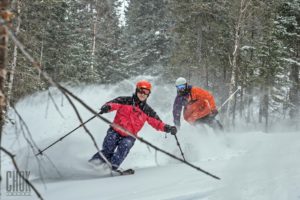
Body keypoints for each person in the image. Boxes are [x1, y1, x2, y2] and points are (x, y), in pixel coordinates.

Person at [89, 80, 177, 171]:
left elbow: (157, 123)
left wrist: (168, 128)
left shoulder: (147, 110)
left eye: (146, 92)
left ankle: (111, 168)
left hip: (130, 136)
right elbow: (112, 104)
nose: (143, 94)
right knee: (108, 147)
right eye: (141, 91)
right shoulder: (125, 100)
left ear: (148, 94)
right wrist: (107, 107)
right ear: (136, 90)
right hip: (115, 130)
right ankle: (93, 164)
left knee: (125, 146)